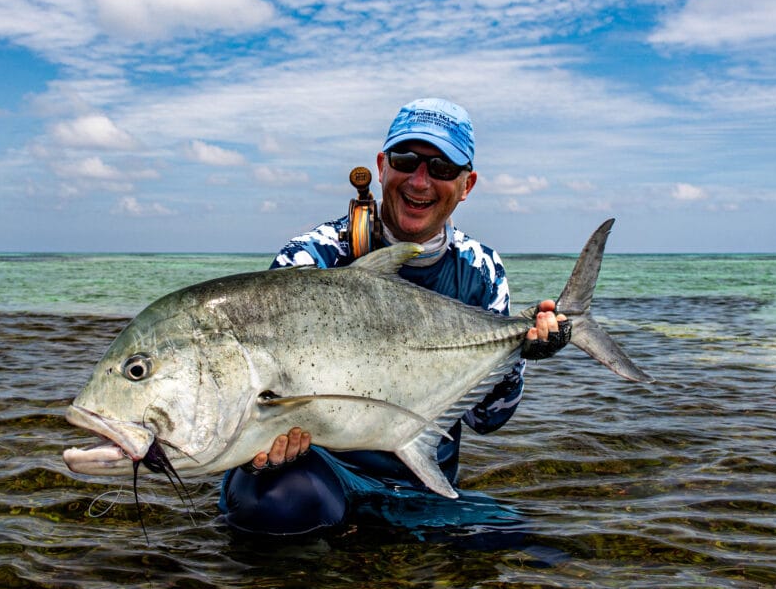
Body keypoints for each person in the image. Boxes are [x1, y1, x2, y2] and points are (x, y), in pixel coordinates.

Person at [218, 98, 571, 538]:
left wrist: (519, 356)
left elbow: (487, 420)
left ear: (467, 184)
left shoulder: (480, 270)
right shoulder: (313, 257)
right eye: (407, 161)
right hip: (315, 475)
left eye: (442, 169)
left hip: (415, 485)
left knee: (531, 548)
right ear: (382, 166)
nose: (420, 182)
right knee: (279, 504)